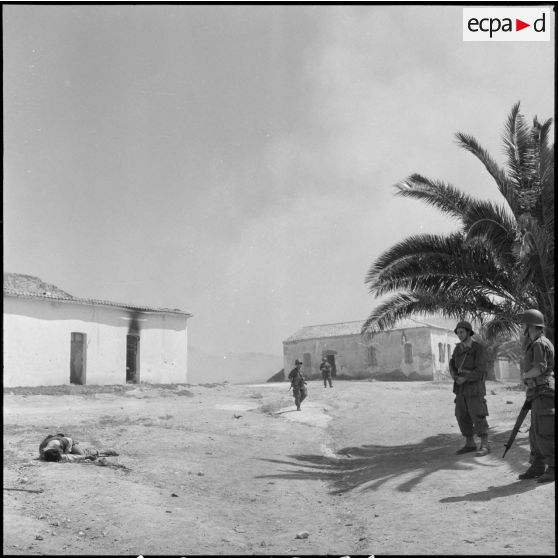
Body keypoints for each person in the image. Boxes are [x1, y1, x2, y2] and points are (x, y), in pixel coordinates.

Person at [517, 309, 555, 483]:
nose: (522, 327)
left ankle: (553, 467)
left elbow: (539, 368)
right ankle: (538, 466)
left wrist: (525, 376)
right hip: (538, 392)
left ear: (531, 326)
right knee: (535, 432)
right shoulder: (536, 342)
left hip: (543, 392)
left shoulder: (539, 343)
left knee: (544, 432)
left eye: (524, 324)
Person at [449, 321, 490, 456]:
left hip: (474, 388)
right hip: (460, 389)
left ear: (468, 332)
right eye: (458, 332)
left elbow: (481, 370)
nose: (459, 335)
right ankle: (470, 443)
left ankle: (484, 445)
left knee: (478, 414)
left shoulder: (478, 349)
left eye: (462, 332)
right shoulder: (457, 349)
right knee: (461, 415)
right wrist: (455, 377)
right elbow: (452, 365)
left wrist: (465, 377)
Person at [39, 433, 118, 463]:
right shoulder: (43, 452)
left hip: (68, 442)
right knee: (80, 454)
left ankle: (105, 451)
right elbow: (68, 457)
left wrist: (68, 451)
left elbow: (69, 441)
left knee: (82, 453)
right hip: (61, 447)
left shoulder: (56, 444)